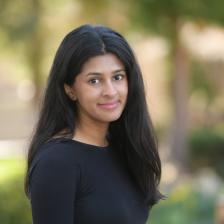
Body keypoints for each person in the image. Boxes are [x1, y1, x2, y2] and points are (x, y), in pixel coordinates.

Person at [24, 24, 163, 224]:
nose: (110, 91)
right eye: (94, 81)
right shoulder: (56, 163)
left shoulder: (125, 147)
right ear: (70, 89)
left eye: (117, 77)